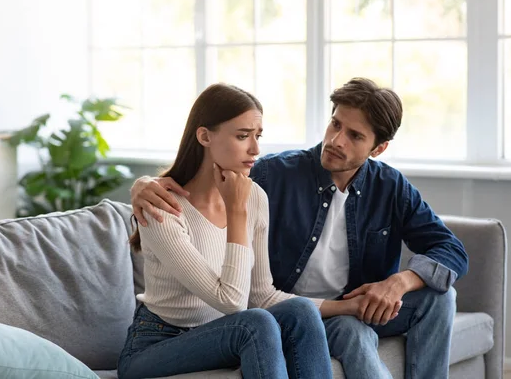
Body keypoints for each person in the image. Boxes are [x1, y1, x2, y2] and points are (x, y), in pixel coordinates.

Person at [130, 77, 470, 379]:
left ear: (378, 148)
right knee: (326, 325)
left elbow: (452, 251)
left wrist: (398, 282)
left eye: (354, 135)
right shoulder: (275, 174)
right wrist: (142, 185)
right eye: (335, 124)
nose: (337, 140)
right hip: (288, 310)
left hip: (349, 305)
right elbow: (204, 178)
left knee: (440, 298)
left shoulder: (390, 187)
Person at [117, 83, 336, 379]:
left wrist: (348, 306)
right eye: (242, 136)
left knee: (301, 312)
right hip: (155, 344)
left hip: (218, 333)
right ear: (205, 136)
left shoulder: (256, 196)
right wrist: (236, 211)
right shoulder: (163, 207)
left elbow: (261, 295)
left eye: (257, 136)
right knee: (254, 324)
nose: (255, 149)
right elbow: (232, 301)